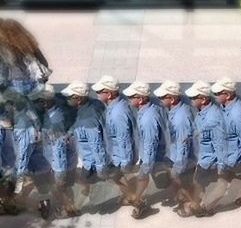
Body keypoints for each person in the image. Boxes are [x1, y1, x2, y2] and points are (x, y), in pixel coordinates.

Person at [30, 84, 79, 219]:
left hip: (61, 163)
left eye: (38, 101)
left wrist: (59, 173)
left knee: (61, 187)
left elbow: (59, 150)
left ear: (45, 102)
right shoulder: (56, 107)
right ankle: (70, 206)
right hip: (62, 158)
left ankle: (70, 209)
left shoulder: (54, 121)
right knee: (63, 186)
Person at [211, 77, 241, 207]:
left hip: (235, 156)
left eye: (217, 94)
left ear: (227, 95)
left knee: (222, 182)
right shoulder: (226, 106)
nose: (214, 96)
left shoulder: (237, 114)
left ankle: (204, 207)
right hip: (230, 152)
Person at [123, 81, 168, 219]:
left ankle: (139, 203)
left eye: (131, 97)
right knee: (164, 180)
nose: (129, 99)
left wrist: (146, 164)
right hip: (156, 153)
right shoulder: (151, 108)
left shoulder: (148, 118)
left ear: (140, 99)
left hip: (153, 155)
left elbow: (150, 142)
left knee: (143, 177)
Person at [153, 80, 198, 217]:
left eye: (162, 97)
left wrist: (178, 168)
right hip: (173, 155)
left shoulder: (180, 119)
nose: (159, 99)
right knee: (178, 183)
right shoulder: (174, 110)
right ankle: (183, 200)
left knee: (185, 184)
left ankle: (191, 205)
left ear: (171, 99)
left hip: (182, 160)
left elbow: (183, 146)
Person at [185, 80, 228, 216]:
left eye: (193, 97)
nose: (190, 100)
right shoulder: (202, 112)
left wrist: (221, 166)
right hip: (203, 157)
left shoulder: (213, 118)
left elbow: (219, 143)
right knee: (200, 182)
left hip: (210, 160)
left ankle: (201, 207)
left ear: (203, 99)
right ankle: (201, 204)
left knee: (200, 182)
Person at [92, 75, 137, 206]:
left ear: (109, 94)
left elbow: (124, 138)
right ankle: (130, 195)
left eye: (100, 92)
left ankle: (135, 199)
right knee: (117, 177)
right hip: (117, 153)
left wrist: (125, 161)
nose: (97, 94)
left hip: (121, 155)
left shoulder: (118, 113)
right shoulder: (116, 105)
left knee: (117, 176)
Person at [61, 81, 109, 201]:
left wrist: (100, 167)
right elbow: (78, 122)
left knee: (85, 180)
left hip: (92, 161)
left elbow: (96, 144)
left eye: (70, 97)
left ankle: (77, 205)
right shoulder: (88, 105)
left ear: (78, 99)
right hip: (91, 158)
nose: (67, 99)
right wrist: (70, 133)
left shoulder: (89, 119)